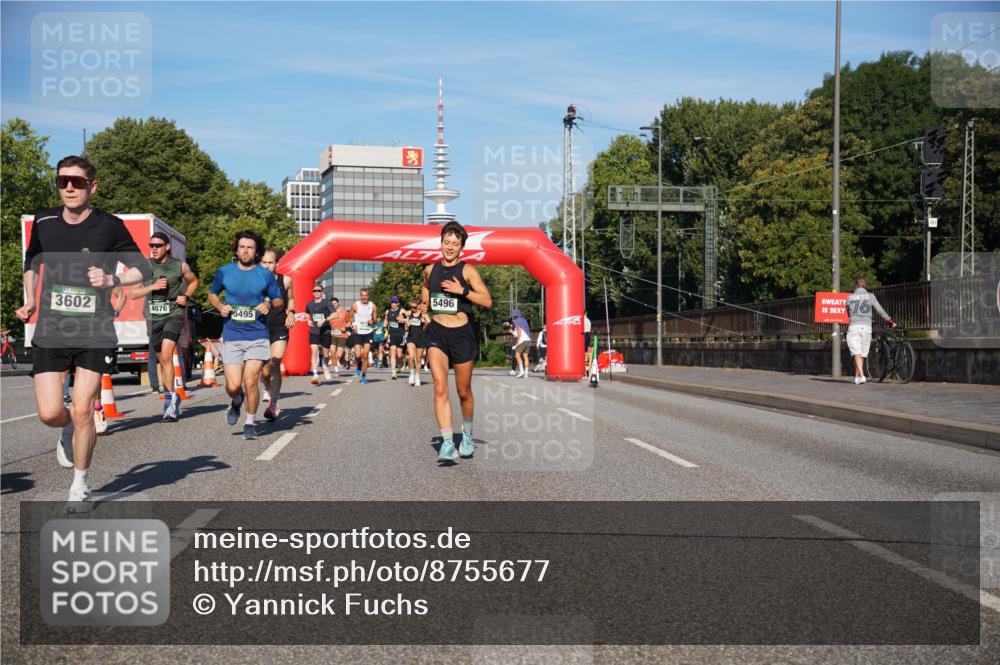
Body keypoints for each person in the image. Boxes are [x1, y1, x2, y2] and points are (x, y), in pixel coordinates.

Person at [16, 155, 152, 512]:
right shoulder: (44, 222)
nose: (69, 188)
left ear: (93, 186)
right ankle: (66, 430)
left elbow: (143, 269)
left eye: (77, 182)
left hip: (94, 328)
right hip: (52, 328)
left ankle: (80, 484)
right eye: (63, 181)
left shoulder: (110, 226)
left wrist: (112, 278)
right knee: (50, 413)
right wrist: (30, 300)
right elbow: (32, 263)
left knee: (82, 410)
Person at [422, 221, 492, 463]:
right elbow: (425, 288)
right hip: (436, 333)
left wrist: (462, 291)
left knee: (463, 391)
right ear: (440, 243)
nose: (450, 247)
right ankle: (447, 443)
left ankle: (467, 435)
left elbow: (487, 301)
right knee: (440, 387)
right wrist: (425, 308)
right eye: (446, 242)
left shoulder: (468, 271)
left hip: (461, 334)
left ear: (462, 247)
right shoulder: (430, 270)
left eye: (455, 243)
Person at [207, 230, 283, 439]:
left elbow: (279, 300)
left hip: (257, 336)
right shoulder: (225, 272)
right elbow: (212, 294)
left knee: (251, 381)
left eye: (250, 247)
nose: (246, 251)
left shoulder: (265, 275)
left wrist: (269, 304)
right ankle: (237, 400)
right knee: (233, 386)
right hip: (232, 335)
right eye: (242, 247)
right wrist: (220, 306)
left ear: (256, 252)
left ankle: (250, 423)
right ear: (236, 250)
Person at [128, 232, 199, 421]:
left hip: (174, 314)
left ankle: (169, 401)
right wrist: (152, 287)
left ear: (167, 247)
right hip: (152, 318)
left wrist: (186, 296)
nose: (154, 249)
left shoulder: (179, 265)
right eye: (151, 245)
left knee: (167, 355)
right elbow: (133, 293)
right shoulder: (145, 267)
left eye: (158, 245)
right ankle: (172, 395)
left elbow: (193, 281)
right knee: (162, 359)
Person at [259, 248, 295, 421]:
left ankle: (273, 404)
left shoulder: (286, 280)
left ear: (277, 263)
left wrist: (291, 312)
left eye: (270, 262)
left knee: (275, 361)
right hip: (259, 327)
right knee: (265, 370)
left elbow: (291, 299)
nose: (267, 266)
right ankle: (267, 387)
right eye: (264, 262)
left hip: (279, 327)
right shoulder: (253, 280)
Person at [844, 277, 895, 385]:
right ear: (865, 286)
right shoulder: (870, 296)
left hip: (854, 326)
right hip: (867, 326)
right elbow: (880, 310)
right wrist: (890, 321)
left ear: (856, 286)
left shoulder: (849, 297)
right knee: (862, 353)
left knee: (856, 352)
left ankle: (862, 375)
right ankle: (857, 377)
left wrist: (852, 318)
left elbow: (848, 311)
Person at [306, 284, 334, 385]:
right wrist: (308, 320)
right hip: (314, 331)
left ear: (322, 292)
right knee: (314, 351)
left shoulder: (327, 302)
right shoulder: (310, 304)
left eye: (318, 290)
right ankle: (315, 374)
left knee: (326, 354)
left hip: (325, 331)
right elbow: (307, 313)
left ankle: (324, 365)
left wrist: (325, 319)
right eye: (314, 291)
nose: (316, 292)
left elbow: (334, 314)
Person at [350, 288, 377, 384]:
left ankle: (364, 376)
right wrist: (353, 325)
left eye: (366, 295)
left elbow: (375, 319)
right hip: (358, 332)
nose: (364, 297)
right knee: (358, 355)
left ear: (368, 296)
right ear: (360, 296)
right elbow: (349, 317)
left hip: (368, 332)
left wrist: (372, 321)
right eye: (362, 295)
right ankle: (359, 364)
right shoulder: (355, 305)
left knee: (365, 355)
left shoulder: (372, 305)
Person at [403, 297, 428, 386]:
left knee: (418, 359)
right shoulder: (409, 313)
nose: (412, 308)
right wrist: (405, 320)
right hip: (411, 337)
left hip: (421, 338)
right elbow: (399, 317)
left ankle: (417, 376)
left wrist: (425, 322)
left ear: (418, 306)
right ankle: (411, 373)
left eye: (414, 307)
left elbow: (429, 323)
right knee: (411, 356)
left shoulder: (423, 314)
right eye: (411, 307)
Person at [384, 296, 406, 379]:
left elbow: (406, 320)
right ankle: (393, 372)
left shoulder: (402, 310)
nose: (393, 304)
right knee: (392, 353)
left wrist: (401, 320)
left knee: (399, 355)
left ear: (398, 303)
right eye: (392, 302)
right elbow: (386, 320)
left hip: (400, 334)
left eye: (395, 302)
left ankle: (402, 362)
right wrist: (384, 326)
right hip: (391, 334)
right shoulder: (387, 311)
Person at [328, 296, 350, 372]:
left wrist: (345, 327)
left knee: (338, 354)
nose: (333, 305)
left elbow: (349, 322)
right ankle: (335, 368)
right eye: (332, 304)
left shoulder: (344, 312)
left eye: (335, 303)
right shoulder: (329, 313)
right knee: (332, 351)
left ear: (338, 303)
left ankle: (341, 359)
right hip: (332, 334)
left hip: (342, 335)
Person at [511, 307, 532, 378]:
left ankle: (521, 371)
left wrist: (517, 342)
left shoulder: (516, 321)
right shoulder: (524, 320)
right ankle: (526, 374)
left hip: (522, 340)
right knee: (525, 356)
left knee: (517, 356)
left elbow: (519, 332)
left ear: (514, 314)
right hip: (528, 340)